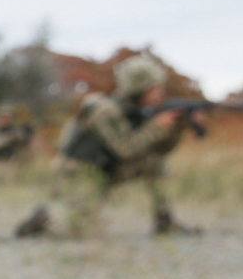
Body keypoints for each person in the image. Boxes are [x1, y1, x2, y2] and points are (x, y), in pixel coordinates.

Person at [14, 54, 198, 238]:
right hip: (80, 174)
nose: (161, 93)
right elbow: (125, 149)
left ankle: (165, 221)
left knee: (155, 162)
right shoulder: (105, 110)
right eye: (155, 88)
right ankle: (46, 219)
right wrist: (156, 126)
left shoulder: (138, 111)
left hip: (106, 169)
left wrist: (175, 129)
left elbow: (159, 150)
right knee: (77, 232)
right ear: (138, 87)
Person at [0, 101, 36, 180]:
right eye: (3, 117)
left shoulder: (13, 128)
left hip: (10, 158)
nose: (6, 119)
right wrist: (11, 137)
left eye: (8, 117)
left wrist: (26, 134)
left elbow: (23, 140)